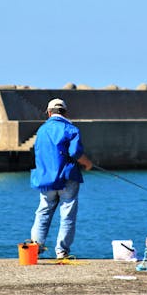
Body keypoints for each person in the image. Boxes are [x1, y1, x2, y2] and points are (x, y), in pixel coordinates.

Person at [30, 98, 93, 259]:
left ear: (49, 112)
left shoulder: (42, 130)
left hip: (46, 179)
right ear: (65, 112)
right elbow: (75, 153)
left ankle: (35, 247)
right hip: (67, 178)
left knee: (43, 212)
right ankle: (62, 251)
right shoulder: (71, 129)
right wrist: (88, 164)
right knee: (67, 214)